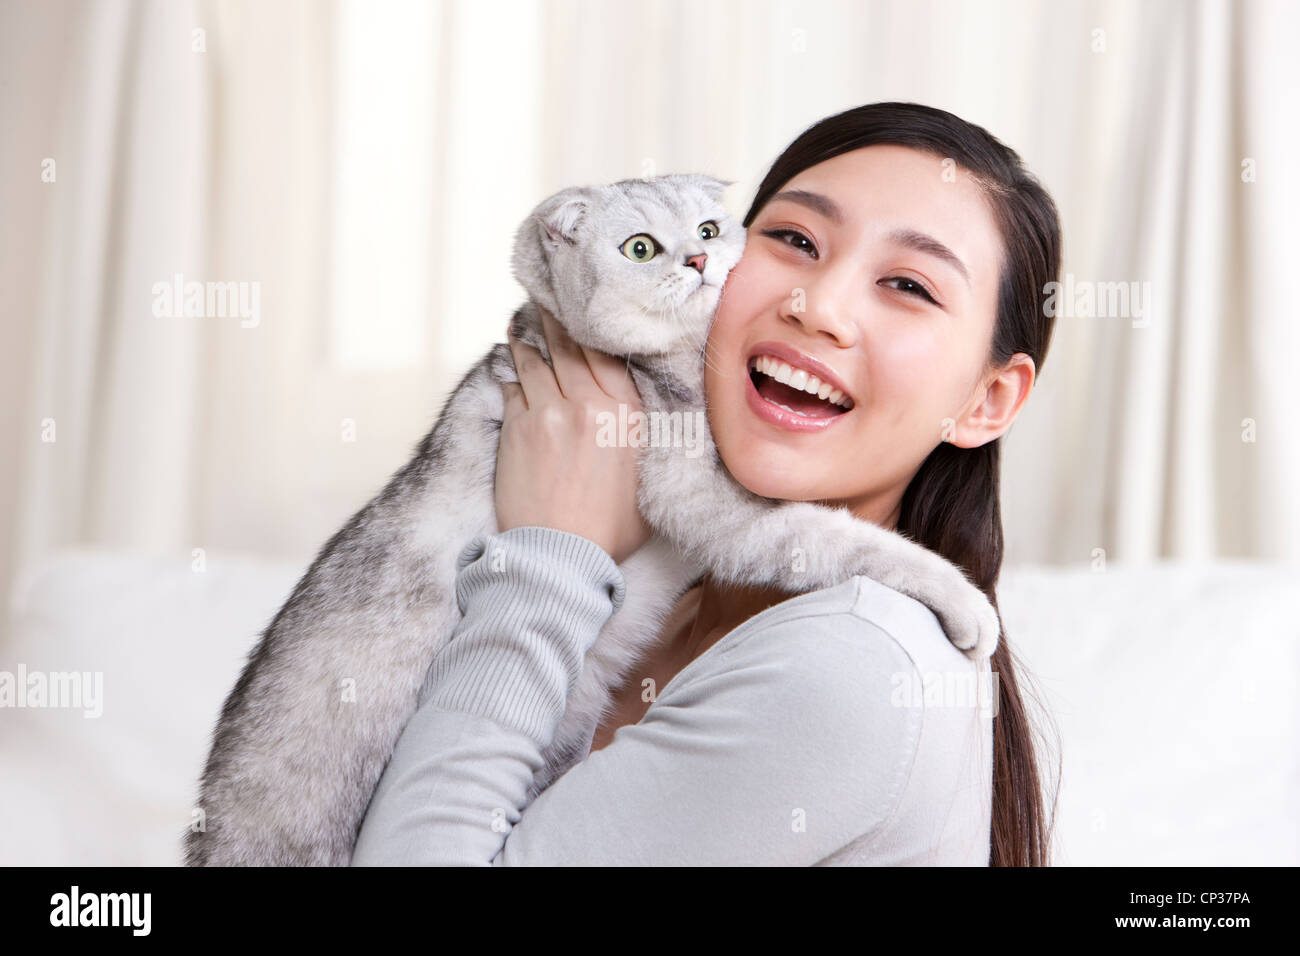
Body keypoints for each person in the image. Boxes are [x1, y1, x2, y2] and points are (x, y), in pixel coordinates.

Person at [350, 101, 1062, 867]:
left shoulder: (852, 665)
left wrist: (546, 559)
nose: (816, 307)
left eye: (909, 286)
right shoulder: (663, 590)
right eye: (793, 239)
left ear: (986, 401)